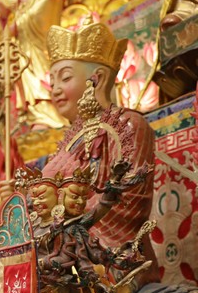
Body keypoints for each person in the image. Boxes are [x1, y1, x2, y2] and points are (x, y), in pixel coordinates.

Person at [41, 21, 155, 257]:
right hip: (60, 246)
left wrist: (70, 224)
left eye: (65, 78)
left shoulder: (130, 125)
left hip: (109, 254)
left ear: (98, 79)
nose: (56, 89)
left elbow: (130, 201)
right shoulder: (68, 143)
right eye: (52, 83)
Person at [3, 0, 66, 129]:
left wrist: (18, 23)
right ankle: (36, 116)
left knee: (43, 71)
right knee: (24, 69)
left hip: (39, 40)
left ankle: (51, 117)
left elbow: (47, 5)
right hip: (24, 44)